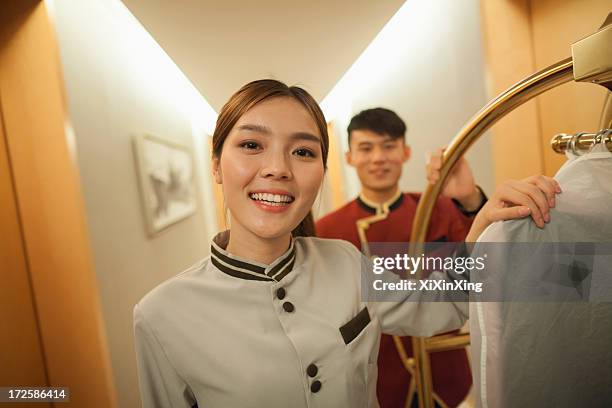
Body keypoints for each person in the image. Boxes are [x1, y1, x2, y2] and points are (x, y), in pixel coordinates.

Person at [133, 80, 560, 408]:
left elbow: (445, 297)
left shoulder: (343, 260)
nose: (278, 168)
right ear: (216, 163)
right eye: (251, 145)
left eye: (302, 152)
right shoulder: (160, 317)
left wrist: (483, 216)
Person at [316, 108, 483, 407]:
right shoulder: (326, 231)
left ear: (405, 152)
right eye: (366, 148)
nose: (378, 158)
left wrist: (470, 199)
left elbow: (485, 265)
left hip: (446, 372)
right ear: (349, 157)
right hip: (380, 383)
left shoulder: (438, 208)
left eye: (389, 146)